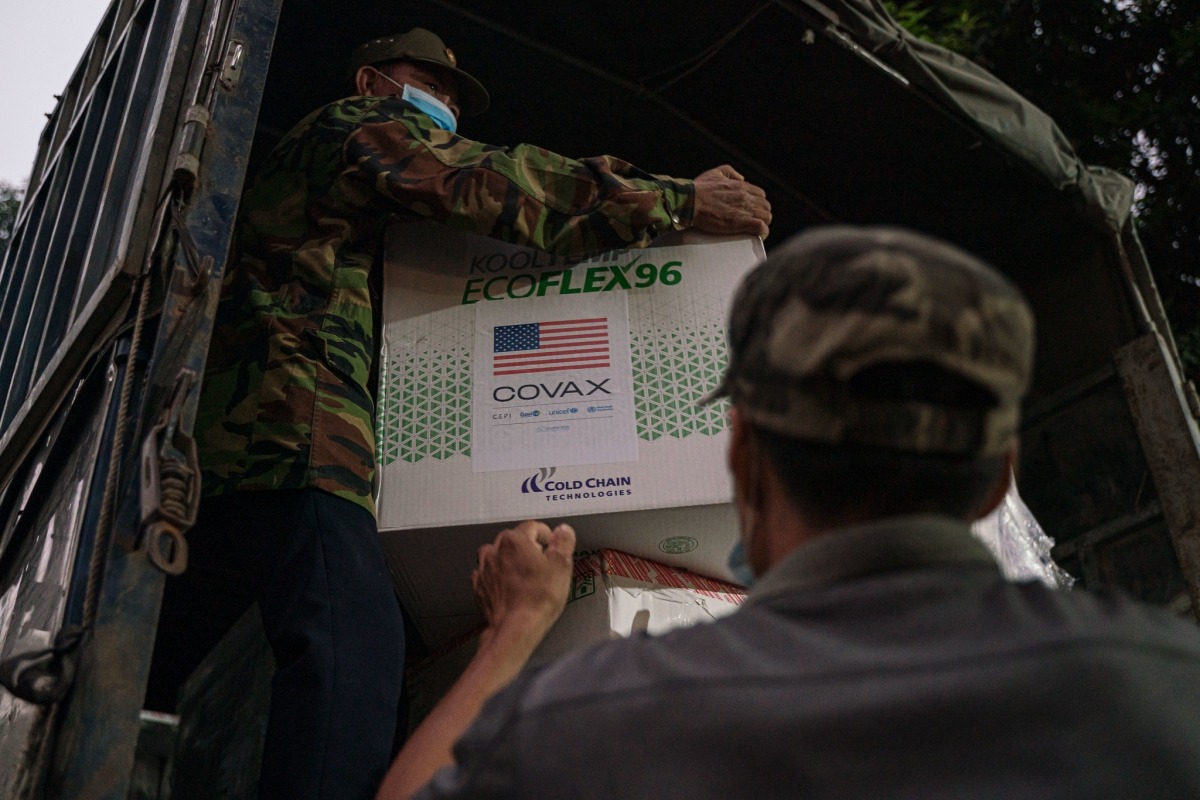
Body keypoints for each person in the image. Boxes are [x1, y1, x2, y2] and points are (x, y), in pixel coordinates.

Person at [147, 25, 772, 800]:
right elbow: (489, 183)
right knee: (350, 648)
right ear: (373, 83)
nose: (441, 103)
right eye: (429, 84)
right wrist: (675, 200)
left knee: (344, 646)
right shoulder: (354, 127)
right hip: (290, 428)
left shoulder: (356, 210)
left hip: (277, 435)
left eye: (449, 96)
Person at [378, 226, 1200, 799]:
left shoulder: (603, 710)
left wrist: (513, 631)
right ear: (999, 480)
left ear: (743, 458)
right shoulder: (1167, 686)